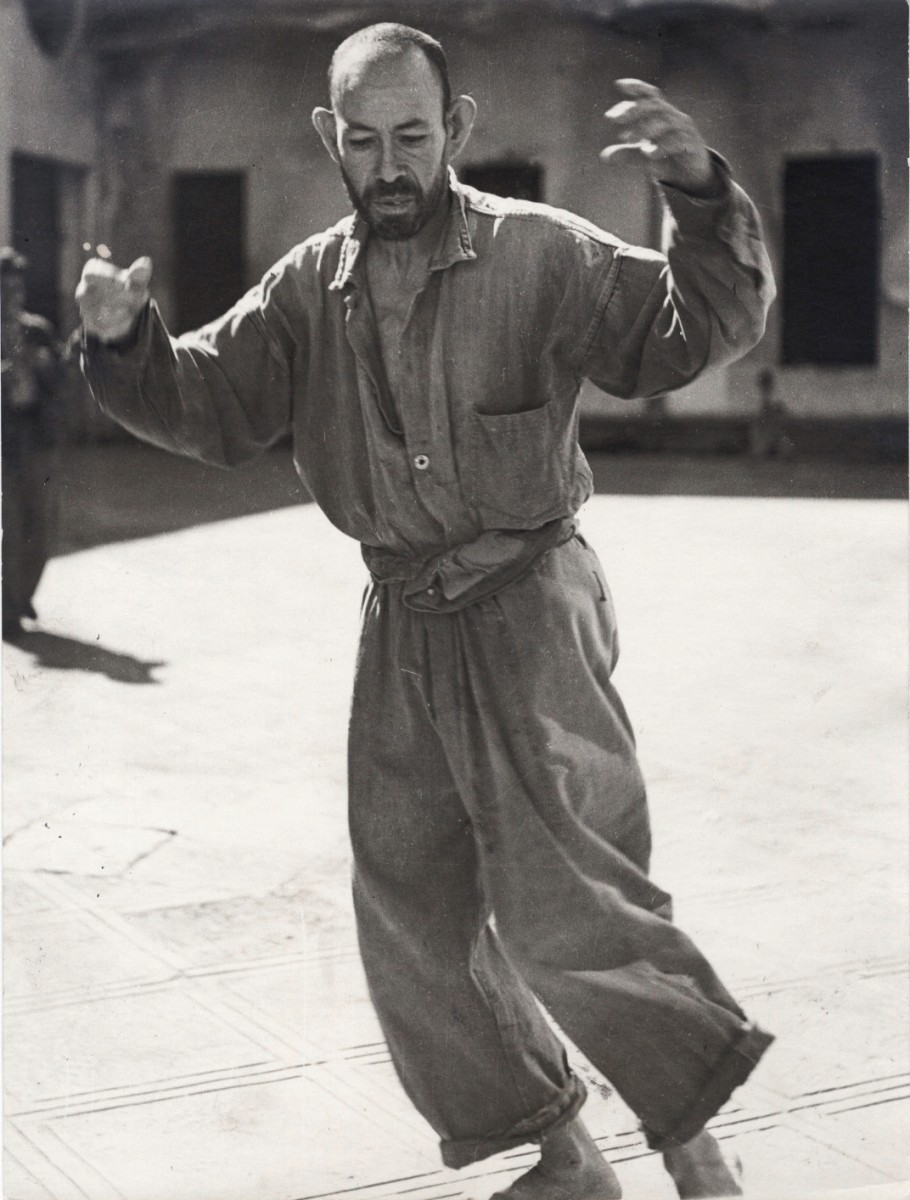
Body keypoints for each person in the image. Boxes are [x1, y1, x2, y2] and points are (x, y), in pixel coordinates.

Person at [77, 24, 776, 1199]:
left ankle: (697, 1154)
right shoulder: (308, 287)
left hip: (530, 604)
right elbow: (212, 401)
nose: (390, 164)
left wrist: (698, 196)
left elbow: (689, 332)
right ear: (328, 140)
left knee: (568, 900)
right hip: (399, 619)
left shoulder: (540, 253)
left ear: (454, 130)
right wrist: (119, 341)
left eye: (412, 136)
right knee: (411, 909)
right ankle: (563, 1158)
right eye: (364, 141)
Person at [2, 248, 65, 639]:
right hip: (2, 442)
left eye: (16, 290)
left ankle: (20, 594)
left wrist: (48, 367)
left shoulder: (38, 330)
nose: (12, 299)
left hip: (37, 438)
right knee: (8, 525)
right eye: (3, 291)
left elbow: (62, 381)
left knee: (40, 526)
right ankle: (7, 608)